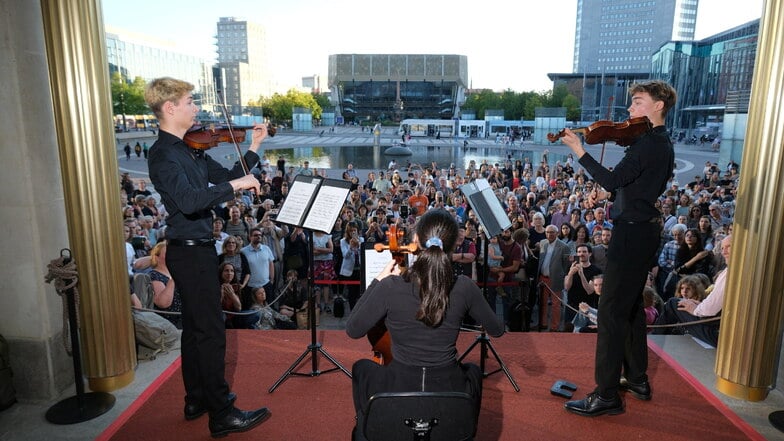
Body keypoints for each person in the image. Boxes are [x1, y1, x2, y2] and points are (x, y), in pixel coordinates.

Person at [145, 77, 270, 436]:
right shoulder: (164, 154)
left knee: (196, 330)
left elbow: (233, 175)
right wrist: (234, 186)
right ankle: (222, 412)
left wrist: (256, 146)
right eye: (189, 102)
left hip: (196, 250)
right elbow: (189, 200)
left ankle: (196, 397)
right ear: (170, 108)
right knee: (212, 331)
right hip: (190, 252)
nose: (196, 108)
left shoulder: (191, 149)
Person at [560, 80, 676, 416]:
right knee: (630, 309)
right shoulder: (656, 141)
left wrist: (578, 150)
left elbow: (612, 179)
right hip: (642, 231)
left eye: (637, 102)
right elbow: (632, 187)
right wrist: (612, 196)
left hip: (632, 234)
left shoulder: (648, 145)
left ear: (658, 106)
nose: (629, 111)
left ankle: (607, 395)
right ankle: (637, 379)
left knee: (610, 313)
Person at [346, 209, 504, 441]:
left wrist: (376, 283)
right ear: (453, 245)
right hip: (448, 385)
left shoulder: (389, 286)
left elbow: (353, 329)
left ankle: (368, 421)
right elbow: (497, 330)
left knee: (361, 367)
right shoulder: (465, 287)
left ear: (416, 241)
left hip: (398, 383)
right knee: (473, 371)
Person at [653, 235, 731, 347]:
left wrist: (695, 308)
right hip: (720, 325)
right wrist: (698, 304)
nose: (724, 252)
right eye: (723, 248)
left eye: (729, 247)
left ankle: (655, 341)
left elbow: (709, 310)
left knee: (673, 304)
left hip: (718, 334)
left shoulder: (730, 272)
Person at [536, 225, 571, 331]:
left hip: (556, 279)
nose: (549, 234)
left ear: (557, 233)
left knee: (556, 304)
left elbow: (566, 264)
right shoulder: (543, 243)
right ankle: (543, 324)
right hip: (543, 278)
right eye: (547, 232)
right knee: (542, 303)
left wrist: (561, 275)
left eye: (552, 232)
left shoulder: (564, 246)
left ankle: (554, 327)